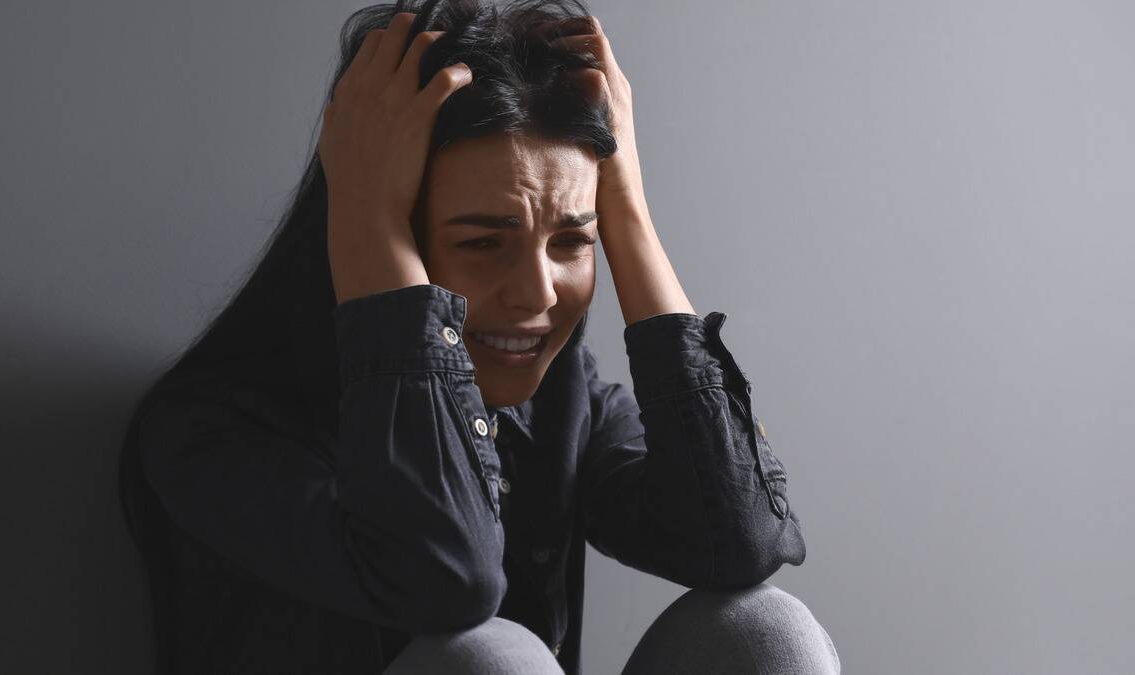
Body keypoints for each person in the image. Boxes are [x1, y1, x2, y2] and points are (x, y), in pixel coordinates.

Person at [118, 0, 841, 673]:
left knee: (764, 629)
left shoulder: (565, 399)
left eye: (570, 244)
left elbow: (738, 541)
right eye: (482, 243)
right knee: (487, 660)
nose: (537, 293)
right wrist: (366, 220)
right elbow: (448, 579)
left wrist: (626, 208)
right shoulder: (209, 430)